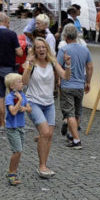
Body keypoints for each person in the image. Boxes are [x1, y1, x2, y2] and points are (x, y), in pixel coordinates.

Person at [23, 37, 69, 178]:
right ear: (34, 50)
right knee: (44, 132)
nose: (41, 49)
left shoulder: (52, 62)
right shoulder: (31, 63)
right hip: (33, 101)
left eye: (43, 47)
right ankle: (41, 166)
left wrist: (68, 65)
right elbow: (24, 82)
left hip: (49, 103)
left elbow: (65, 76)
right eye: (38, 47)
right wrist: (29, 65)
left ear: (47, 48)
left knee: (49, 135)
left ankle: (44, 164)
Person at [57, 24, 92, 149]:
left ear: (65, 36)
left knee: (69, 113)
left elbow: (58, 66)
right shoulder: (85, 49)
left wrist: (58, 80)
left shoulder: (64, 50)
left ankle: (76, 140)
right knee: (77, 112)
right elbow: (89, 67)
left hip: (67, 85)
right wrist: (88, 82)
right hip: (79, 85)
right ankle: (72, 135)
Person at [0, 11, 22, 130]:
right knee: (15, 94)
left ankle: (2, 123)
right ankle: (16, 121)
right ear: (4, 21)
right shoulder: (12, 34)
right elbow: (19, 52)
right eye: (8, 21)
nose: (9, 23)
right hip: (9, 68)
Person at [4, 72, 30, 186]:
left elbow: (29, 108)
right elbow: (13, 111)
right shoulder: (9, 97)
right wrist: (19, 101)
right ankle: (11, 174)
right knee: (17, 151)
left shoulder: (22, 94)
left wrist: (24, 107)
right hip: (12, 128)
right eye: (19, 82)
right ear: (12, 86)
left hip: (20, 126)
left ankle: (13, 172)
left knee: (19, 152)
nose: (22, 83)